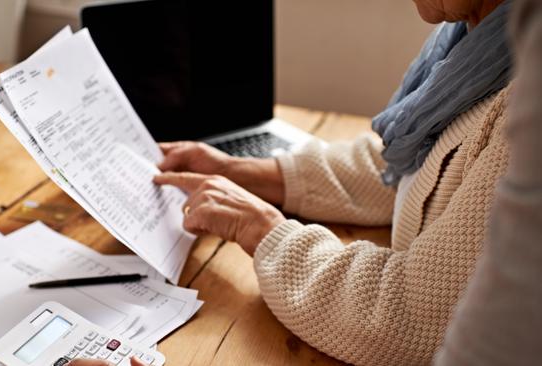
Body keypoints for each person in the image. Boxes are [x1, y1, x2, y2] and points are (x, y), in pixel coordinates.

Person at [74, 0, 513, 365]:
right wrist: (244, 172)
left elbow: (409, 318)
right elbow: (409, 164)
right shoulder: (483, 41)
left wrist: (262, 229)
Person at [434, 0, 542, 364]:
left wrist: (266, 229)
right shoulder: (464, 41)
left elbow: (421, 312)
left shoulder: (518, 90)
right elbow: (403, 171)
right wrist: (276, 171)